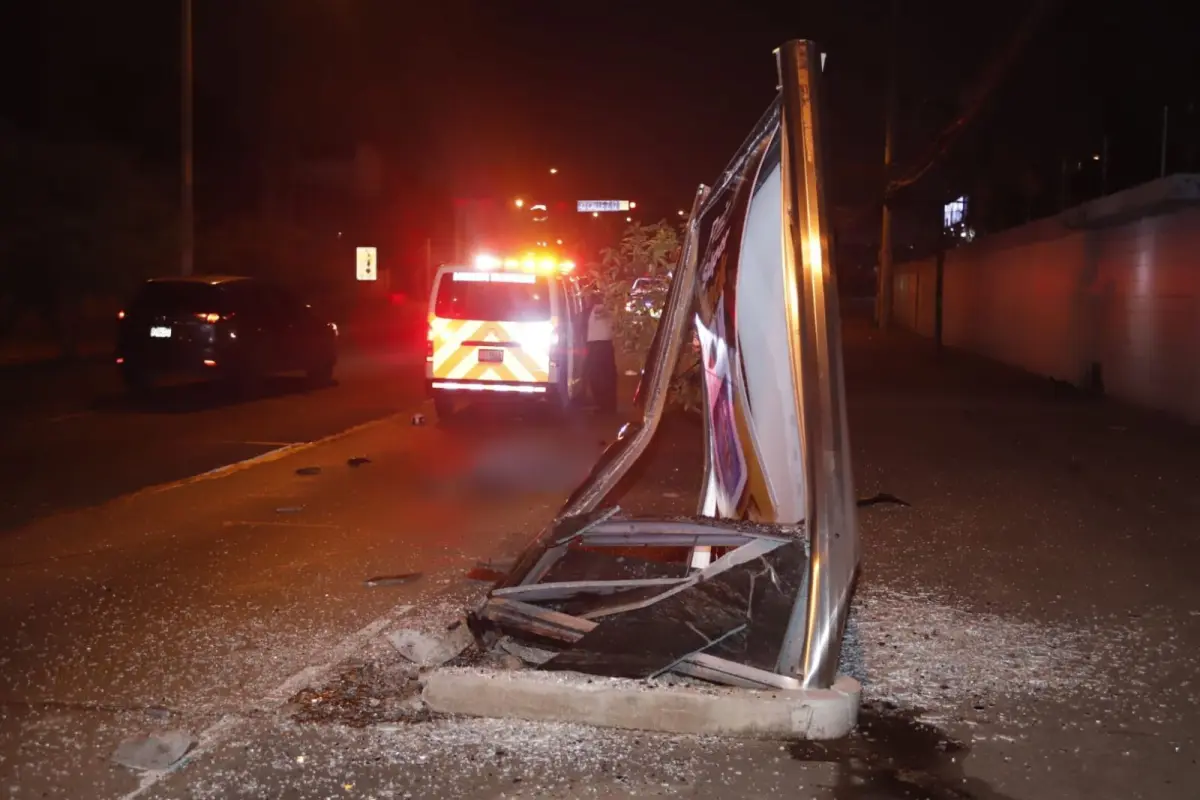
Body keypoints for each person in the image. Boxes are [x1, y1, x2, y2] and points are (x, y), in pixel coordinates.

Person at [584, 293, 617, 412]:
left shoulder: (600, 309)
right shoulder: (597, 311)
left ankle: (605, 405)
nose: (585, 300)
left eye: (587, 298)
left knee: (599, 376)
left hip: (600, 346)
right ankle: (605, 405)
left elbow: (601, 309)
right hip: (599, 345)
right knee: (604, 376)